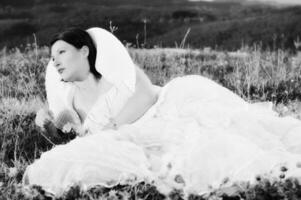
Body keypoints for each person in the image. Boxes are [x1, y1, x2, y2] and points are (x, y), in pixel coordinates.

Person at [24, 27, 301, 197]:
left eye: (61, 52)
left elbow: (144, 94)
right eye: (52, 58)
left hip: (171, 103)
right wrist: (49, 126)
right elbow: (69, 131)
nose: (55, 61)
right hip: (143, 134)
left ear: (84, 51)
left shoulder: (116, 74)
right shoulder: (69, 101)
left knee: (228, 138)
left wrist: (113, 127)